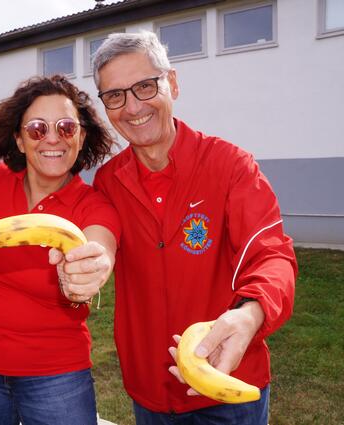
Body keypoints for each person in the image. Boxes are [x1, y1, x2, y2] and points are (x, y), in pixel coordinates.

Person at [91, 31, 297, 424]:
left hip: (228, 383)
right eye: (115, 95)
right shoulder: (108, 182)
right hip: (150, 391)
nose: (132, 107)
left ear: (172, 83)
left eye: (145, 86)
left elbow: (271, 255)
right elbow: (99, 243)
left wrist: (250, 314)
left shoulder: (230, 166)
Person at [0, 75, 121, 425]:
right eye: (37, 128)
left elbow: (99, 247)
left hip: (57, 376)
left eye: (66, 127)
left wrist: (90, 270)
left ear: (81, 137)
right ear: (19, 140)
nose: (52, 138)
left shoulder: (94, 206)